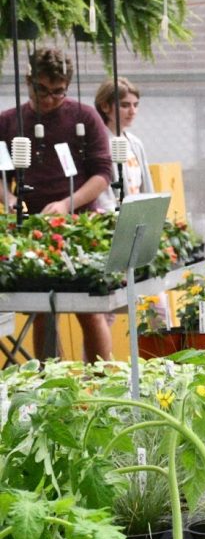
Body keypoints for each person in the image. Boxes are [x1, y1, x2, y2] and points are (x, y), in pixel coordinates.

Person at [0, 48, 113, 362]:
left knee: (88, 308)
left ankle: (102, 378)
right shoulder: (9, 121)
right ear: (28, 81)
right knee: (43, 309)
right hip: (32, 227)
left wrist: (67, 204)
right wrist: (9, 199)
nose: (49, 99)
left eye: (58, 92)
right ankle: (50, 380)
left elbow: (103, 174)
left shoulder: (83, 117)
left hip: (80, 226)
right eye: (42, 90)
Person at [93, 77, 153, 212]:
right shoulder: (98, 143)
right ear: (105, 106)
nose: (132, 111)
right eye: (125, 105)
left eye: (135, 105)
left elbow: (146, 187)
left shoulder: (135, 143)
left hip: (138, 216)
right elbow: (102, 194)